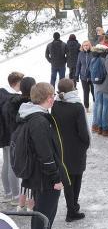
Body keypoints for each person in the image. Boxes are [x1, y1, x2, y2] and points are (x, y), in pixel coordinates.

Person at [17, 83, 66, 229]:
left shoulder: (34, 115)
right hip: (45, 179)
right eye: (52, 96)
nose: (54, 99)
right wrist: (56, 178)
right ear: (48, 98)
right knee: (45, 216)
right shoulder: (39, 121)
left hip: (39, 176)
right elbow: (45, 154)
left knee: (40, 213)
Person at [51, 79, 89, 223]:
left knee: (67, 179)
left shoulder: (55, 104)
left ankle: (72, 207)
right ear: (72, 89)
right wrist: (86, 143)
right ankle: (72, 210)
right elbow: (82, 131)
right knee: (77, 177)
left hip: (61, 147)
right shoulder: (77, 106)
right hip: (77, 147)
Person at [2, 76, 35, 212]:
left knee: (8, 163)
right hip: (17, 139)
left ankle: (11, 194)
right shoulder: (26, 104)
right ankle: (18, 198)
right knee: (18, 167)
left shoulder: (10, 101)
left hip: (8, 136)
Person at [0, 72, 24, 206]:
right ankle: (15, 197)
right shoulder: (14, 98)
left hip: (3, 135)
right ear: (17, 83)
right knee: (12, 165)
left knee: (6, 163)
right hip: (11, 134)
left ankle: (8, 194)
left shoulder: (1, 93)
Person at [90, 43, 108, 137]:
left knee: (99, 106)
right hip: (106, 85)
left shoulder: (94, 57)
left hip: (97, 85)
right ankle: (105, 129)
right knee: (106, 107)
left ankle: (99, 127)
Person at [75, 41, 94, 111]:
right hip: (83, 76)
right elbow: (78, 65)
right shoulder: (80, 54)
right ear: (82, 47)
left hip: (92, 76)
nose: (85, 47)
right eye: (84, 45)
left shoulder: (93, 53)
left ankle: (96, 104)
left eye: (87, 45)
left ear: (89, 46)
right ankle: (86, 107)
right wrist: (76, 75)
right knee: (86, 92)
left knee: (93, 91)